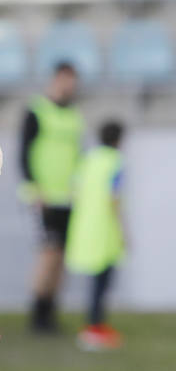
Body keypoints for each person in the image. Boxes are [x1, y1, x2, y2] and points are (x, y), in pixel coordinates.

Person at [20, 61, 84, 332]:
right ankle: (38, 313)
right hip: (45, 197)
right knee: (48, 254)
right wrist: (35, 189)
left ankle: (51, 312)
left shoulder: (75, 116)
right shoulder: (37, 111)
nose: (68, 85)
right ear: (55, 79)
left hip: (69, 197)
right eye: (64, 79)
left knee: (61, 257)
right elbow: (24, 153)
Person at [66, 120, 125, 351]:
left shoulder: (87, 160)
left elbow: (75, 190)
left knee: (95, 281)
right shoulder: (116, 162)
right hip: (105, 228)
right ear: (119, 139)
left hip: (85, 226)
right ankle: (94, 328)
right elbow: (114, 197)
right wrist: (123, 230)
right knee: (103, 281)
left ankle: (95, 325)